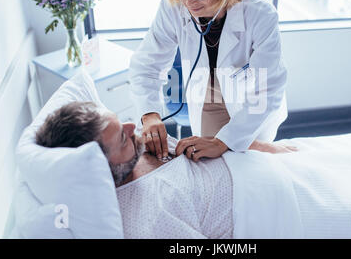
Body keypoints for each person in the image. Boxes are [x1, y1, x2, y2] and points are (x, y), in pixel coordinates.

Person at [35, 101, 296, 238]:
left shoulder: (143, 148)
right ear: (101, 169)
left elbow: (215, 149)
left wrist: (264, 148)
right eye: (122, 138)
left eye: (121, 121)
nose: (131, 126)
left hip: (273, 166)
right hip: (281, 206)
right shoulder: (146, 222)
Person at [129, 0, 289, 162]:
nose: (188, 3)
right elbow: (146, 65)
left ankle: (270, 150)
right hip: (207, 90)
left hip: (249, 98)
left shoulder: (259, 13)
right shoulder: (173, 6)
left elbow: (267, 88)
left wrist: (224, 141)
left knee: (247, 157)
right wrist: (149, 114)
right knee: (209, 160)